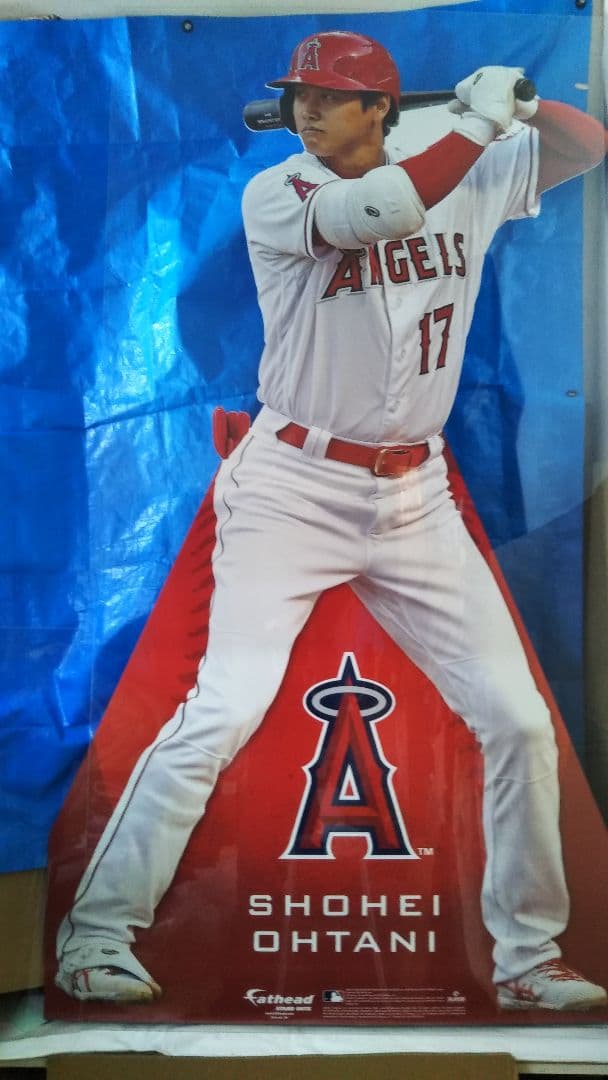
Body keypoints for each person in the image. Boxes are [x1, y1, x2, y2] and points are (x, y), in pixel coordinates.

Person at [56, 30, 607, 1011]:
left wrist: (519, 107)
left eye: (328, 95)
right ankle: (95, 938)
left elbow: (583, 144)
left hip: (415, 496)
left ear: (379, 110)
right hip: (292, 487)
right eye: (298, 94)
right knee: (224, 706)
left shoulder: (465, 161)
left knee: (518, 720)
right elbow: (384, 211)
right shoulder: (281, 192)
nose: (305, 110)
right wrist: (477, 123)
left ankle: (529, 960)